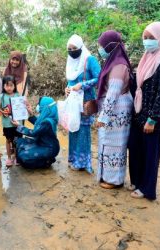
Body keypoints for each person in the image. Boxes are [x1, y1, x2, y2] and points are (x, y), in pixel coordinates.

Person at [128, 22, 160, 200]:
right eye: (145, 38)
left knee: (149, 153)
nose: (147, 41)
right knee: (135, 147)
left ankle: (147, 188)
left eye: (151, 38)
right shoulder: (146, 57)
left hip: (151, 117)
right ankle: (137, 181)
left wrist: (153, 119)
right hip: (139, 112)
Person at [95, 30, 134, 189]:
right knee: (107, 143)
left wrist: (103, 117)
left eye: (102, 46)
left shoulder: (118, 65)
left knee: (115, 145)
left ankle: (114, 180)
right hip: (112, 110)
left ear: (110, 46)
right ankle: (106, 176)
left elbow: (113, 92)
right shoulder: (113, 62)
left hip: (116, 110)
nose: (100, 49)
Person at [65, 34, 101, 174]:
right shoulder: (70, 61)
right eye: (69, 48)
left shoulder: (89, 60)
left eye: (74, 48)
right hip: (73, 102)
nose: (72, 51)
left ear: (80, 47)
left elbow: (100, 78)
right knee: (73, 129)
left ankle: (83, 162)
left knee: (83, 132)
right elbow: (71, 80)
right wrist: (67, 88)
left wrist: (83, 85)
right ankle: (74, 158)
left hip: (85, 102)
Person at [11, 97, 60, 169]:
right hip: (41, 142)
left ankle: (47, 161)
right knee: (19, 140)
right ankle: (44, 158)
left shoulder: (47, 122)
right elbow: (38, 124)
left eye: (39, 105)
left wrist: (19, 126)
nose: (38, 107)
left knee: (23, 157)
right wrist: (30, 113)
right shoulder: (47, 117)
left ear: (45, 107)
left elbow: (33, 132)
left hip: (49, 148)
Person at [0, 75, 22, 167]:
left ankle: (16, 157)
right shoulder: (2, 96)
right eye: (7, 85)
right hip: (7, 124)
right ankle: (9, 158)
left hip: (16, 123)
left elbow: (21, 108)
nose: (9, 88)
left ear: (14, 86)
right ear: (3, 86)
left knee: (16, 141)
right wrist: (2, 111)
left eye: (11, 85)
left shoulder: (17, 95)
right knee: (8, 140)